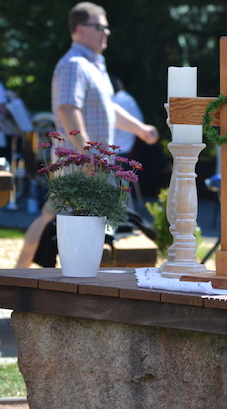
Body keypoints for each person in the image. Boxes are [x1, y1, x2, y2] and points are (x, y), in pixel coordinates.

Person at [14, 1, 159, 268]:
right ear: (81, 29)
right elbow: (68, 109)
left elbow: (109, 109)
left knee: (64, 221)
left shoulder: (94, 65)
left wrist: (140, 129)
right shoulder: (74, 64)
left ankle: (22, 277)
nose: (107, 32)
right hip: (80, 166)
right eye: (100, 27)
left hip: (91, 165)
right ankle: (21, 278)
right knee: (58, 222)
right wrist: (86, 154)